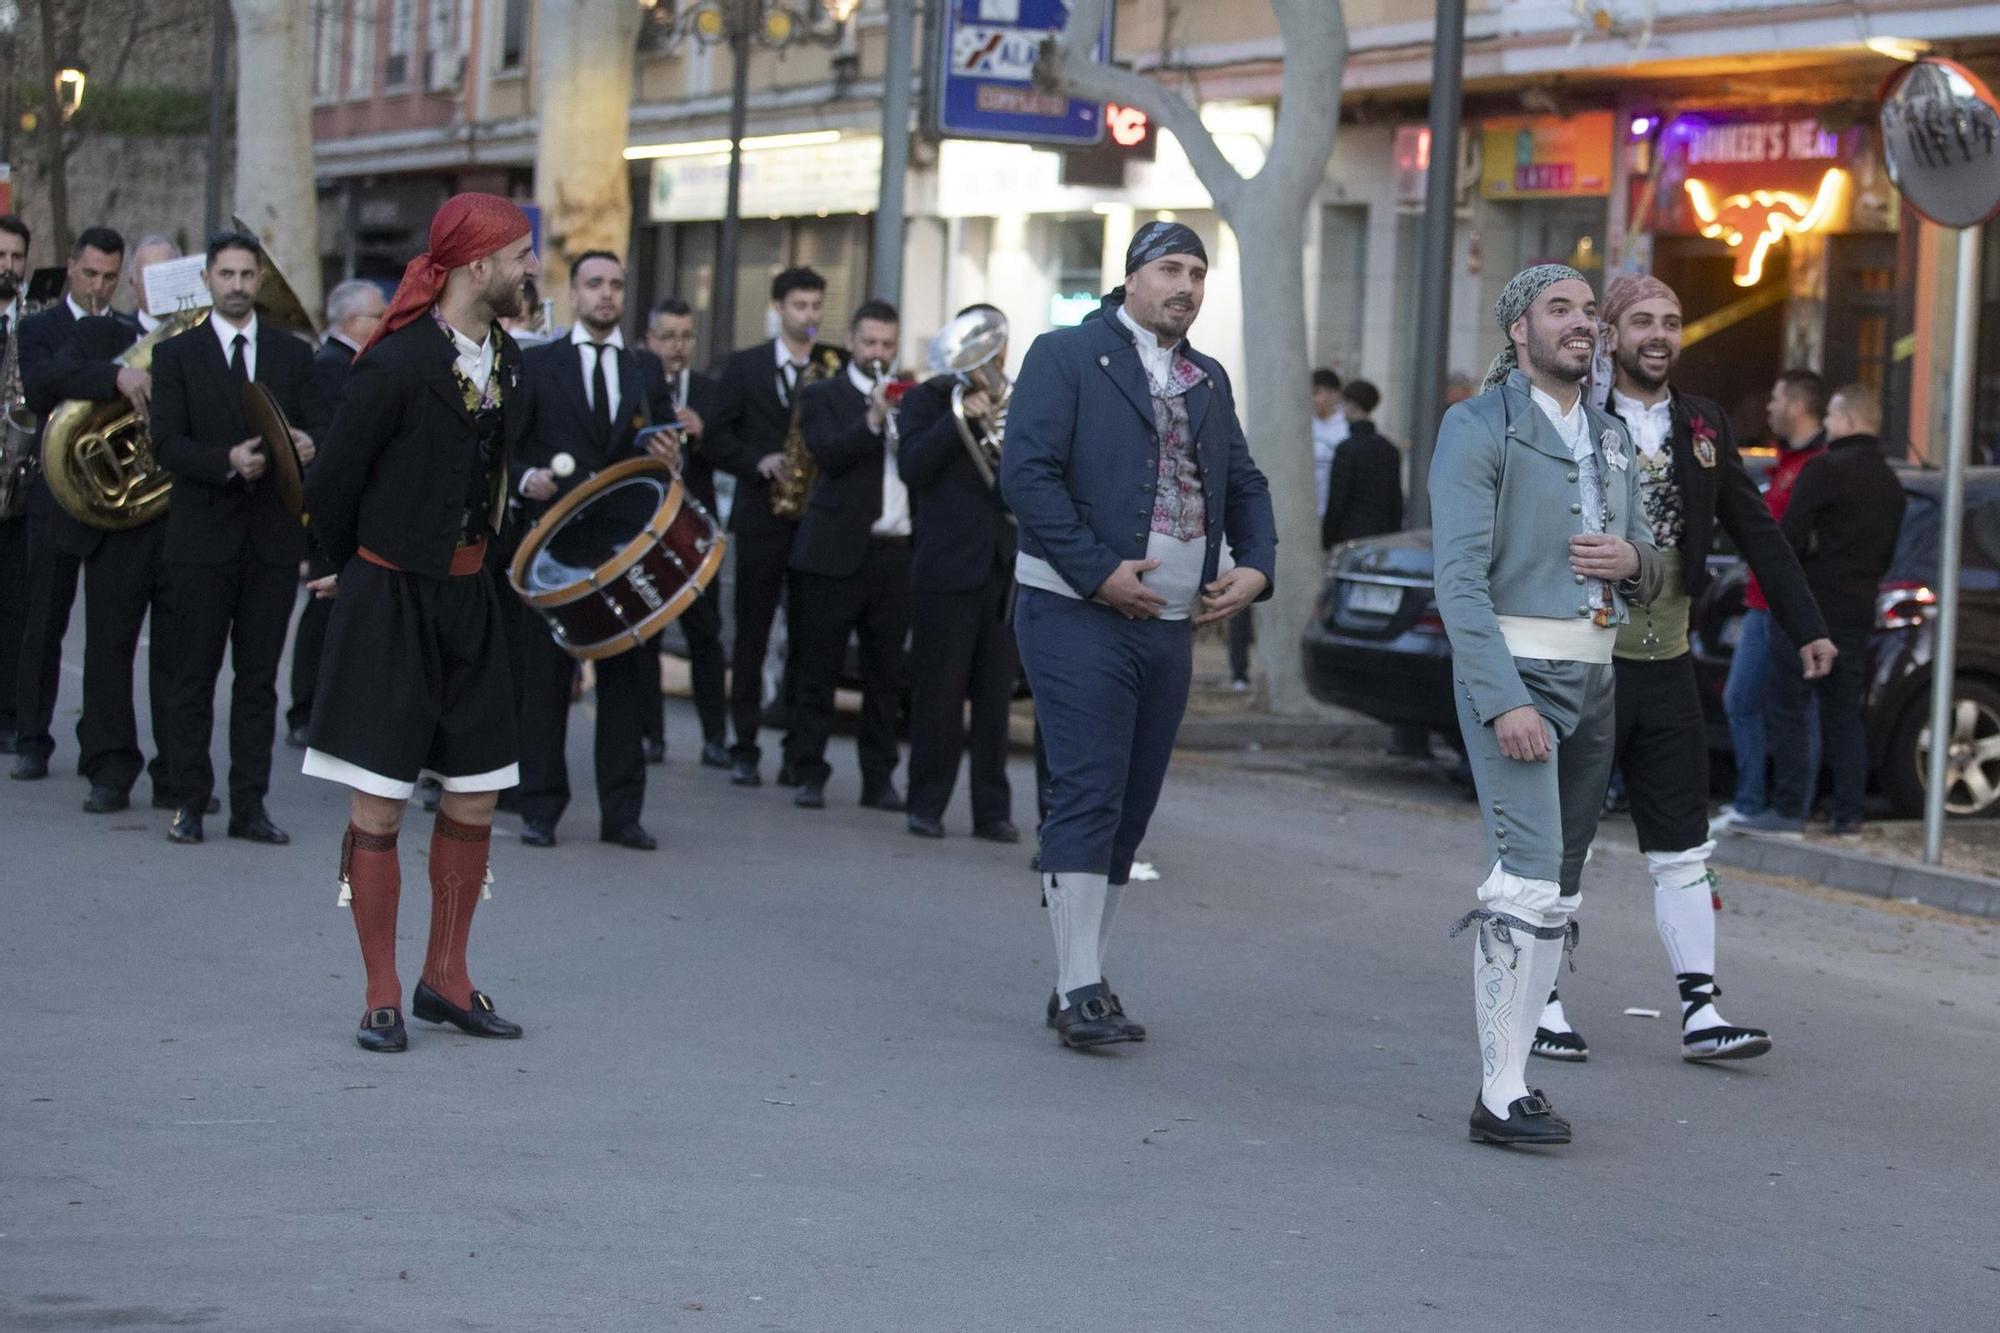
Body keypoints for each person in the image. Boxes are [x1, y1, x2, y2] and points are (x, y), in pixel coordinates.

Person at [1529, 274, 1832, 1066]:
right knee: (1562, 844)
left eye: (1671, 320)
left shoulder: (1704, 423)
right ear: (1611, 333)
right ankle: (1536, 999)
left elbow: (1756, 529)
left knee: (1683, 843)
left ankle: (1702, 1010)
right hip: (1580, 663)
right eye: (1641, 321)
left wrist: (1807, 625)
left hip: (1665, 664)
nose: (1658, 334)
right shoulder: (1568, 416)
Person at [1003, 221, 1276, 1048]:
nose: (1185, 285)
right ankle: (1081, 984)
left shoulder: (1206, 377)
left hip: (1166, 623)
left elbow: (1247, 481)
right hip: (1073, 608)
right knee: (1087, 788)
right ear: (1129, 280)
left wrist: (1257, 564)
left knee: (1130, 804)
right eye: (1169, 269)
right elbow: (1027, 473)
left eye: (1197, 272)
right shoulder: (1065, 355)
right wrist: (1098, 571)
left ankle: (1077, 975)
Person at [302, 192, 539, 1052]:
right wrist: (344, 566)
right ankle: (380, 991)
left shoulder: (509, 362)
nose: (530, 269)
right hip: (392, 601)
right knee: (381, 807)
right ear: (478, 265)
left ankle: (447, 975)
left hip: (473, 602)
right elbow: (330, 483)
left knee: (476, 796)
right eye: (520, 255)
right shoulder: (395, 364)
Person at [1430, 264, 1661, 1146]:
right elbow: (1457, 577)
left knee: (1559, 892)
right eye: (1557, 309)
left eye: (1585, 311)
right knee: (1523, 878)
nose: (1579, 323)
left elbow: (1653, 564)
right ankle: (1499, 1091)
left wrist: (1634, 565)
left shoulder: (1608, 434)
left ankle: (1516, 1074)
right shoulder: (1476, 423)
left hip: (1597, 675)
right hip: (1517, 674)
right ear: (1517, 332)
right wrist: (1500, 699)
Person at [152, 231, 325, 846]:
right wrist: (224, 460)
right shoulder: (176, 357)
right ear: (207, 281)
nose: (237, 286)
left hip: (272, 545)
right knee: (192, 679)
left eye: (247, 275)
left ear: (260, 281)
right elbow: (165, 444)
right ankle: (189, 803)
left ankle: (250, 808)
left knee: (258, 683)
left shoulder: (294, 356)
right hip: (200, 542)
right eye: (225, 275)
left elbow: (322, 432)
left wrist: (306, 446)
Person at [512, 249, 675, 851]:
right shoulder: (538, 364)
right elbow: (511, 448)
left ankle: (623, 814)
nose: (606, 294)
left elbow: (659, 448)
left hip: (626, 549)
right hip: (554, 543)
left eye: (616, 284)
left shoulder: (645, 369)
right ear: (574, 294)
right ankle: (540, 808)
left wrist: (671, 456)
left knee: (627, 684)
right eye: (594, 284)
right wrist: (526, 477)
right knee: (547, 683)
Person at [53, 234, 186, 813]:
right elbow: (51, 379)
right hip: (122, 522)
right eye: (147, 277)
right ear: (134, 284)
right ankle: (110, 767)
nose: (156, 287)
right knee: (109, 650)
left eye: (169, 276)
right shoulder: (104, 334)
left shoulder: (206, 343)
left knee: (182, 657)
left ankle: (178, 773)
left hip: (185, 522)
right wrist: (114, 378)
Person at [1737, 384, 1904, 838]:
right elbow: (1888, 554)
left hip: (1809, 612)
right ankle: (1848, 812)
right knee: (1843, 713)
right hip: (1857, 610)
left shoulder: (1825, 469)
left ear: (1848, 421)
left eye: (1831, 416)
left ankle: (1790, 809)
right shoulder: (1891, 482)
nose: (1826, 425)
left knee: (1788, 706)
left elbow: (1786, 540)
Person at [704, 267, 843, 787]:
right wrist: (757, 461)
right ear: (779, 308)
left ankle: (797, 751)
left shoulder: (833, 364)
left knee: (810, 640)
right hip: (763, 516)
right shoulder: (745, 366)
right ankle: (744, 745)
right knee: (752, 636)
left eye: (815, 306)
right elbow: (715, 437)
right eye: (800, 306)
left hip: (815, 524)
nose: (809, 316)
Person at [781, 299, 911, 811]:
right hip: (833, 555)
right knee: (818, 670)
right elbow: (828, 456)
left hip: (895, 553)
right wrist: (874, 418)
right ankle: (807, 769)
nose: (878, 352)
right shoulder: (822, 395)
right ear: (852, 343)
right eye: (869, 343)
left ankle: (879, 779)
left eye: (886, 344)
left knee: (886, 678)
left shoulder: (912, 397)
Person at [897, 304, 1019, 842]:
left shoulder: (1019, 404)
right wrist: (960, 421)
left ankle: (992, 811)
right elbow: (912, 468)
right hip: (945, 568)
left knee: (995, 701)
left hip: (1003, 569)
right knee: (939, 698)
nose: (990, 360)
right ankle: (926, 804)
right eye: (978, 350)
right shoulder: (925, 400)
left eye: (996, 349)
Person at [10, 225, 124, 781]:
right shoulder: (40, 327)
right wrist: (114, 374)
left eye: (109, 277)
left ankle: (98, 744)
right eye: (89, 274)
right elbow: (41, 383)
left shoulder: (127, 331)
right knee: (44, 619)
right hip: (54, 493)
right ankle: (32, 738)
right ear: (71, 266)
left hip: (112, 497)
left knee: (108, 632)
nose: (99, 287)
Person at [1716, 370, 1829, 828]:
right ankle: (1757, 801)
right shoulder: (1787, 463)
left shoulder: (1815, 467)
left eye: (1777, 398)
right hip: (1763, 601)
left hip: (1782, 606)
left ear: (1797, 405)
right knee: (1749, 700)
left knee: (1776, 703)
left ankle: (1777, 806)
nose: (1768, 409)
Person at [286, 278, 386, 749]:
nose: (386, 320)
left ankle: (322, 709)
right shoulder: (332, 365)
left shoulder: (348, 362)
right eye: (377, 314)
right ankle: (305, 709)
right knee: (323, 610)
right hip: (333, 510)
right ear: (350, 322)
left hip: (346, 507)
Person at [638, 296, 730, 771]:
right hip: (648, 530)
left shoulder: (711, 392)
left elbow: (732, 451)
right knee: (648, 637)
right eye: (668, 337)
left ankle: (716, 737)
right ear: (650, 341)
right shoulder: (637, 384)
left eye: (686, 337)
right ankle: (651, 735)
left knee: (705, 635)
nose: (677, 347)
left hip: (695, 531)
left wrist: (704, 433)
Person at [0, 213, 32, 756]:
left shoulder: (35, 321)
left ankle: (9, 715)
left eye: (15, 258)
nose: (7, 268)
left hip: (17, 482)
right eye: (0, 257)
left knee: (14, 607)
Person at [1320, 378, 1403, 550]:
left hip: (1349, 538)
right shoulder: (1389, 449)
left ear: (1352, 405)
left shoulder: (1346, 449)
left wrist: (1327, 539)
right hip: (1382, 537)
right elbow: (1395, 500)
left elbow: (1337, 500)